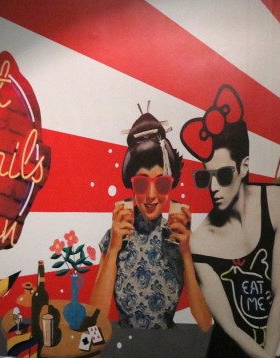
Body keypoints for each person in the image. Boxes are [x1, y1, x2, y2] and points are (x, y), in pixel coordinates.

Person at [181, 84, 280, 358]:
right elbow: (230, 327)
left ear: (244, 167)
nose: (214, 188)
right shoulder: (200, 241)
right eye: (206, 177)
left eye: (224, 175)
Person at [90, 110, 211, 330]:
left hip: (168, 347)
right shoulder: (116, 236)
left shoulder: (178, 239)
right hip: (126, 345)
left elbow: (204, 321)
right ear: (131, 184)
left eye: (162, 183)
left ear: (171, 184)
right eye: (141, 183)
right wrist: (114, 248)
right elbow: (96, 314)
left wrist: (187, 253)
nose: (152, 195)